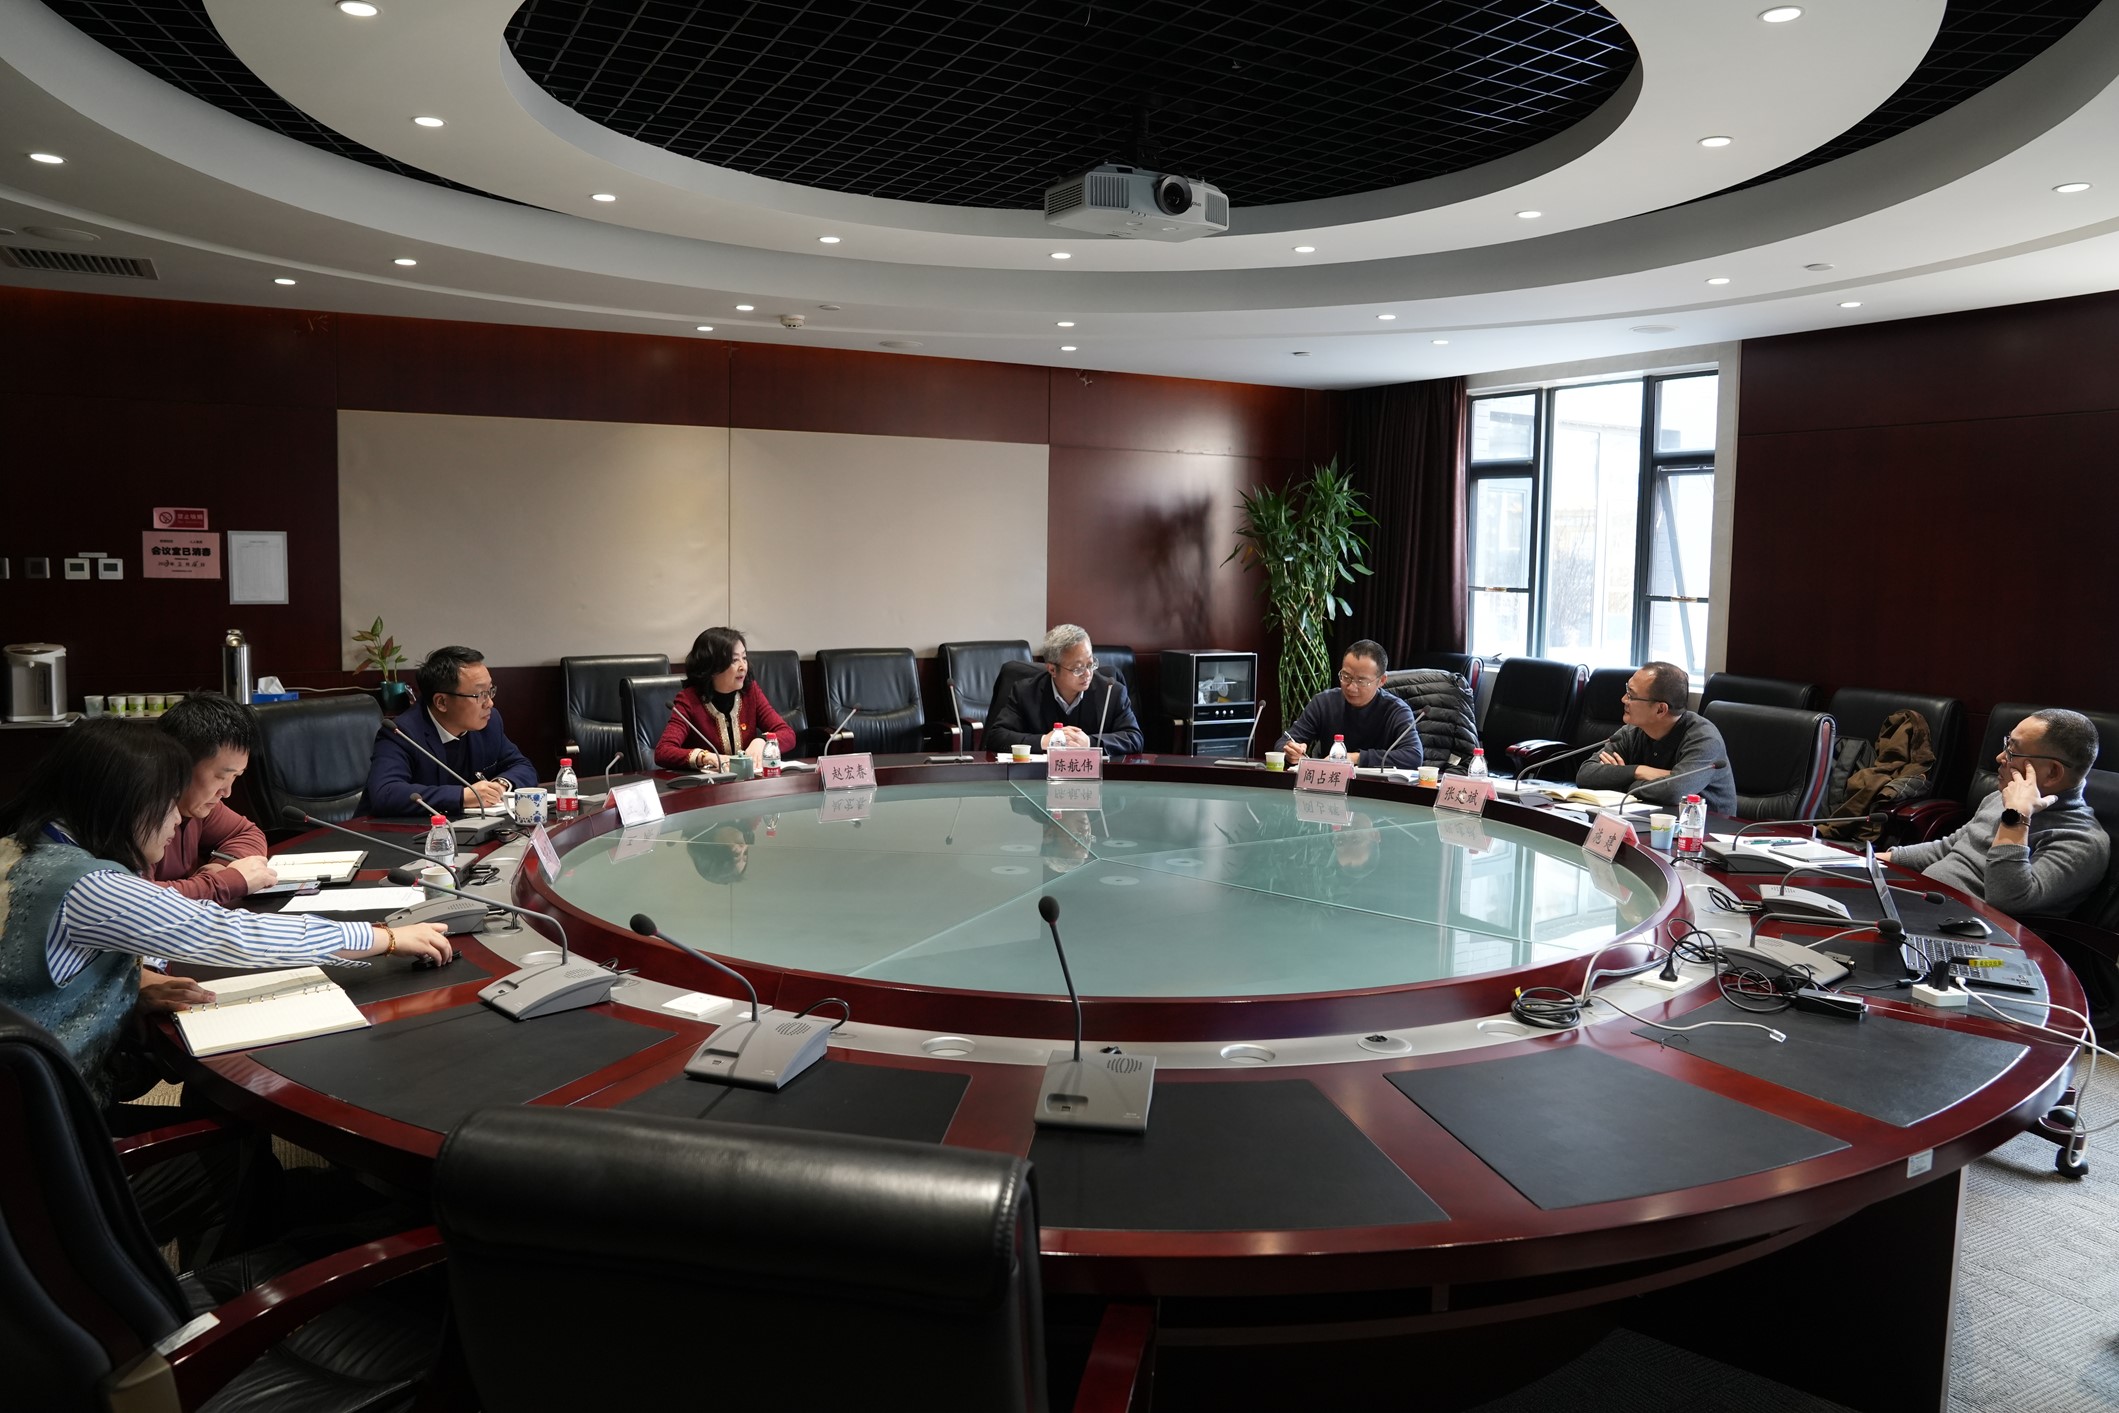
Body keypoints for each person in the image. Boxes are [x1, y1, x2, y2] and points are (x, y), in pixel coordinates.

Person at [0, 717, 452, 1105]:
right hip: (51, 1124)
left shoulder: (24, 849)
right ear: (124, 803)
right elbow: (230, 933)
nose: (178, 820)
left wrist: (128, 984)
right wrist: (384, 937)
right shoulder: (90, 886)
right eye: (168, 804)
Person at [1884, 709, 2108, 917]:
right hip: (1925, 905)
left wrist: (2016, 818)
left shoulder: (2082, 841)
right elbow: (1950, 847)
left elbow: (2007, 900)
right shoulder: (2001, 797)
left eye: (2013, 751)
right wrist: (1878, 860)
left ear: (2052, 772)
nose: (2000, 757)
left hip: (1974, 933)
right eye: (2006, 744)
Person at [364, 645, 537, 816]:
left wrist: (500, 785)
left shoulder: (489, 723)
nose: (490, 703)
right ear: (441, 702)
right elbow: (385, 793)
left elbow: (522, 766)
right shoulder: (402, 733)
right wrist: (462, 797)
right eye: (480, 695)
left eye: (490, 691)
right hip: (391, 830)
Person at [149, 691, 277, 905]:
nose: (227, 792)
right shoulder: (139, 814)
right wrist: (226, 882)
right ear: (179, 764)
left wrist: (220, 867)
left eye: (235, 777)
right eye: (221, 777)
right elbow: (138, 899)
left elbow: (247, 834)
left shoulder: (197, 805)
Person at [1573, 661, 1736, 814]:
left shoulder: (1704, 739)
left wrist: (1618, 781)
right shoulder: (1632, 731)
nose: (1623, 699)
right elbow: (1585, 774)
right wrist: (1639, 771)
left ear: (1660, 709)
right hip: (1652, 819)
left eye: (1631, 695)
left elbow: (1674, 791)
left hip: (1706, 827)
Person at [983, 625, 1145, 756]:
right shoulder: (1025, 692)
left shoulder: (1112, 692)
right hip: (1038, 780)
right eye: (1078, 668)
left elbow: (1134, 738)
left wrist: (1090, 743)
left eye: (1090, 664)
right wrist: (1044, 741)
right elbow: (996, 736)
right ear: (1052, 669)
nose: (1088, 673)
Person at [655, 627, 797, 772]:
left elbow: (788, 734)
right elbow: (663, 751)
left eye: (744, 658)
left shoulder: (750, 692)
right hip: (708, 784)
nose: (743, 667)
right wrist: (705, 757)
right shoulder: (689, 700)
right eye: (734, 660)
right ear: (712, 666)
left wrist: (763, 741)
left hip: (749, 782)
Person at [1278, 641, 1422, 769]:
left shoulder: (1396, 710)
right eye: (1346, 677)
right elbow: (1283, 742)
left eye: (1361, 681)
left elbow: (1414, 756)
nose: (1351, 687)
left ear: (1381, 681)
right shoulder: (1324, 703)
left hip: (1376, 787)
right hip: (1330, 785)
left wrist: (1355, 758)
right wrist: (1290, 751)